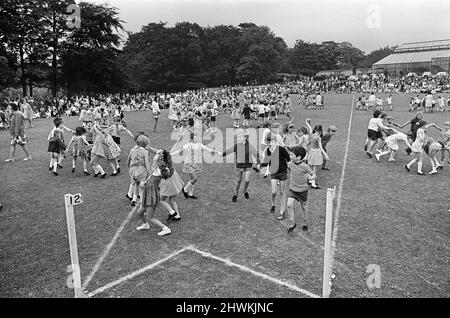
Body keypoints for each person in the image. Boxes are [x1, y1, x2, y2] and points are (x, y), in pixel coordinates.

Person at [135, 151, 172, 236]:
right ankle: (145, 225)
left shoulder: (158, 171)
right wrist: (144, 183)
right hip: (148, 194)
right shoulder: (157, 171)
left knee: (150, 217)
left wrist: (158, 153)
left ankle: (166, 229)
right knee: (139, 213)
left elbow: (155, 160)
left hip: (151, 196)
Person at [222, 128, 259, 202]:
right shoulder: (237, 146)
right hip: (239, 165)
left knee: (247, 181)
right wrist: (222, 154)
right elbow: (230, 150)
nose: (238, 138)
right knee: (239, 181)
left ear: (245, 137)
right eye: (238, 137)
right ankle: (235, 194)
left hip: (248, 165)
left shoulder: (249, 146)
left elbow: (256, 154)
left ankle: (244, 191)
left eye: (240, 137)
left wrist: (258, 163)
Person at [285, 146, 316, 232]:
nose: (290, 156)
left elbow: (314, 175)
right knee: (289, 205)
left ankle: (305, 221)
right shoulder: (290, 164)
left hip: (302, 191)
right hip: (292, 189)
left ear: (298, 157)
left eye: (291, 155)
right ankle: (292, 223)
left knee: (304, 207)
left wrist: (310, 178)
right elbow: (286, 168)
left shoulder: (305, 166)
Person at [261, 133, 291, 217]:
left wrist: (292, 168)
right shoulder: (267, 150)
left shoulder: (281, 149)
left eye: (272, 141)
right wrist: (261, 166)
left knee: (282, 192)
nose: (270, 143)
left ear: (275, 141)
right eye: (268, 142)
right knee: (274, 192)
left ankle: (282, 211)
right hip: (273, 172)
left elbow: (288, 159)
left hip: (282, 172)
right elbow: (266, 160)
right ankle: (273, 204)